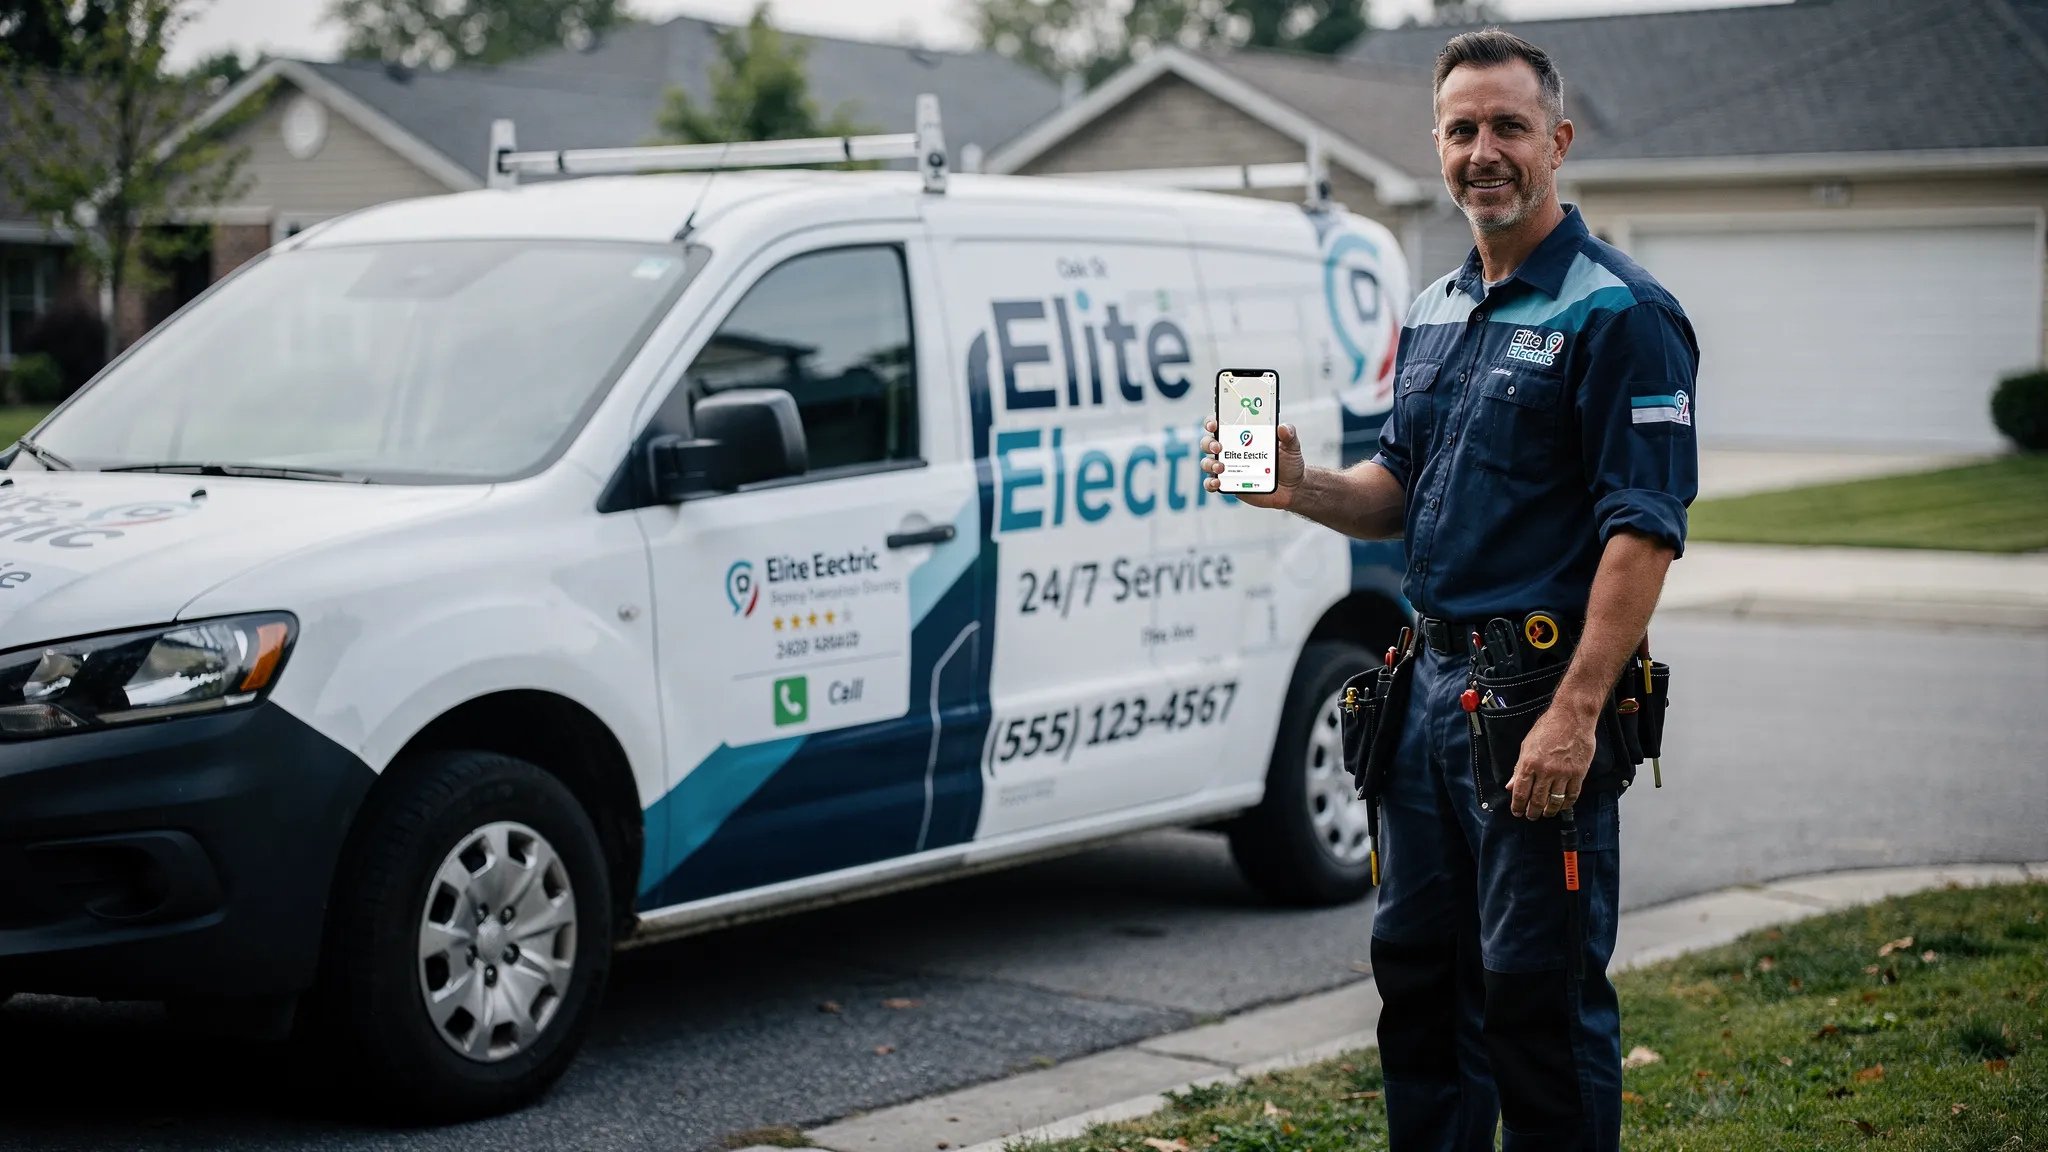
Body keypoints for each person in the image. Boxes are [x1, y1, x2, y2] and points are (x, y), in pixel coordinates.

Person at [1203, 28, 1698, 1152]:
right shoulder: (1429, 309)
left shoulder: (1620, 315)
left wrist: (1574, 715)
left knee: (1535, 993)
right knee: (1417, 985)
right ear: (1436, 144)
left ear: (1556, 142)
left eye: (1507, 127)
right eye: (1462, 128)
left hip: (1534, 696)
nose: (1484, 150)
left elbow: (1643, 532)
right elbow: (1402, 485)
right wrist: (1304, 489)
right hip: (1422, 692)